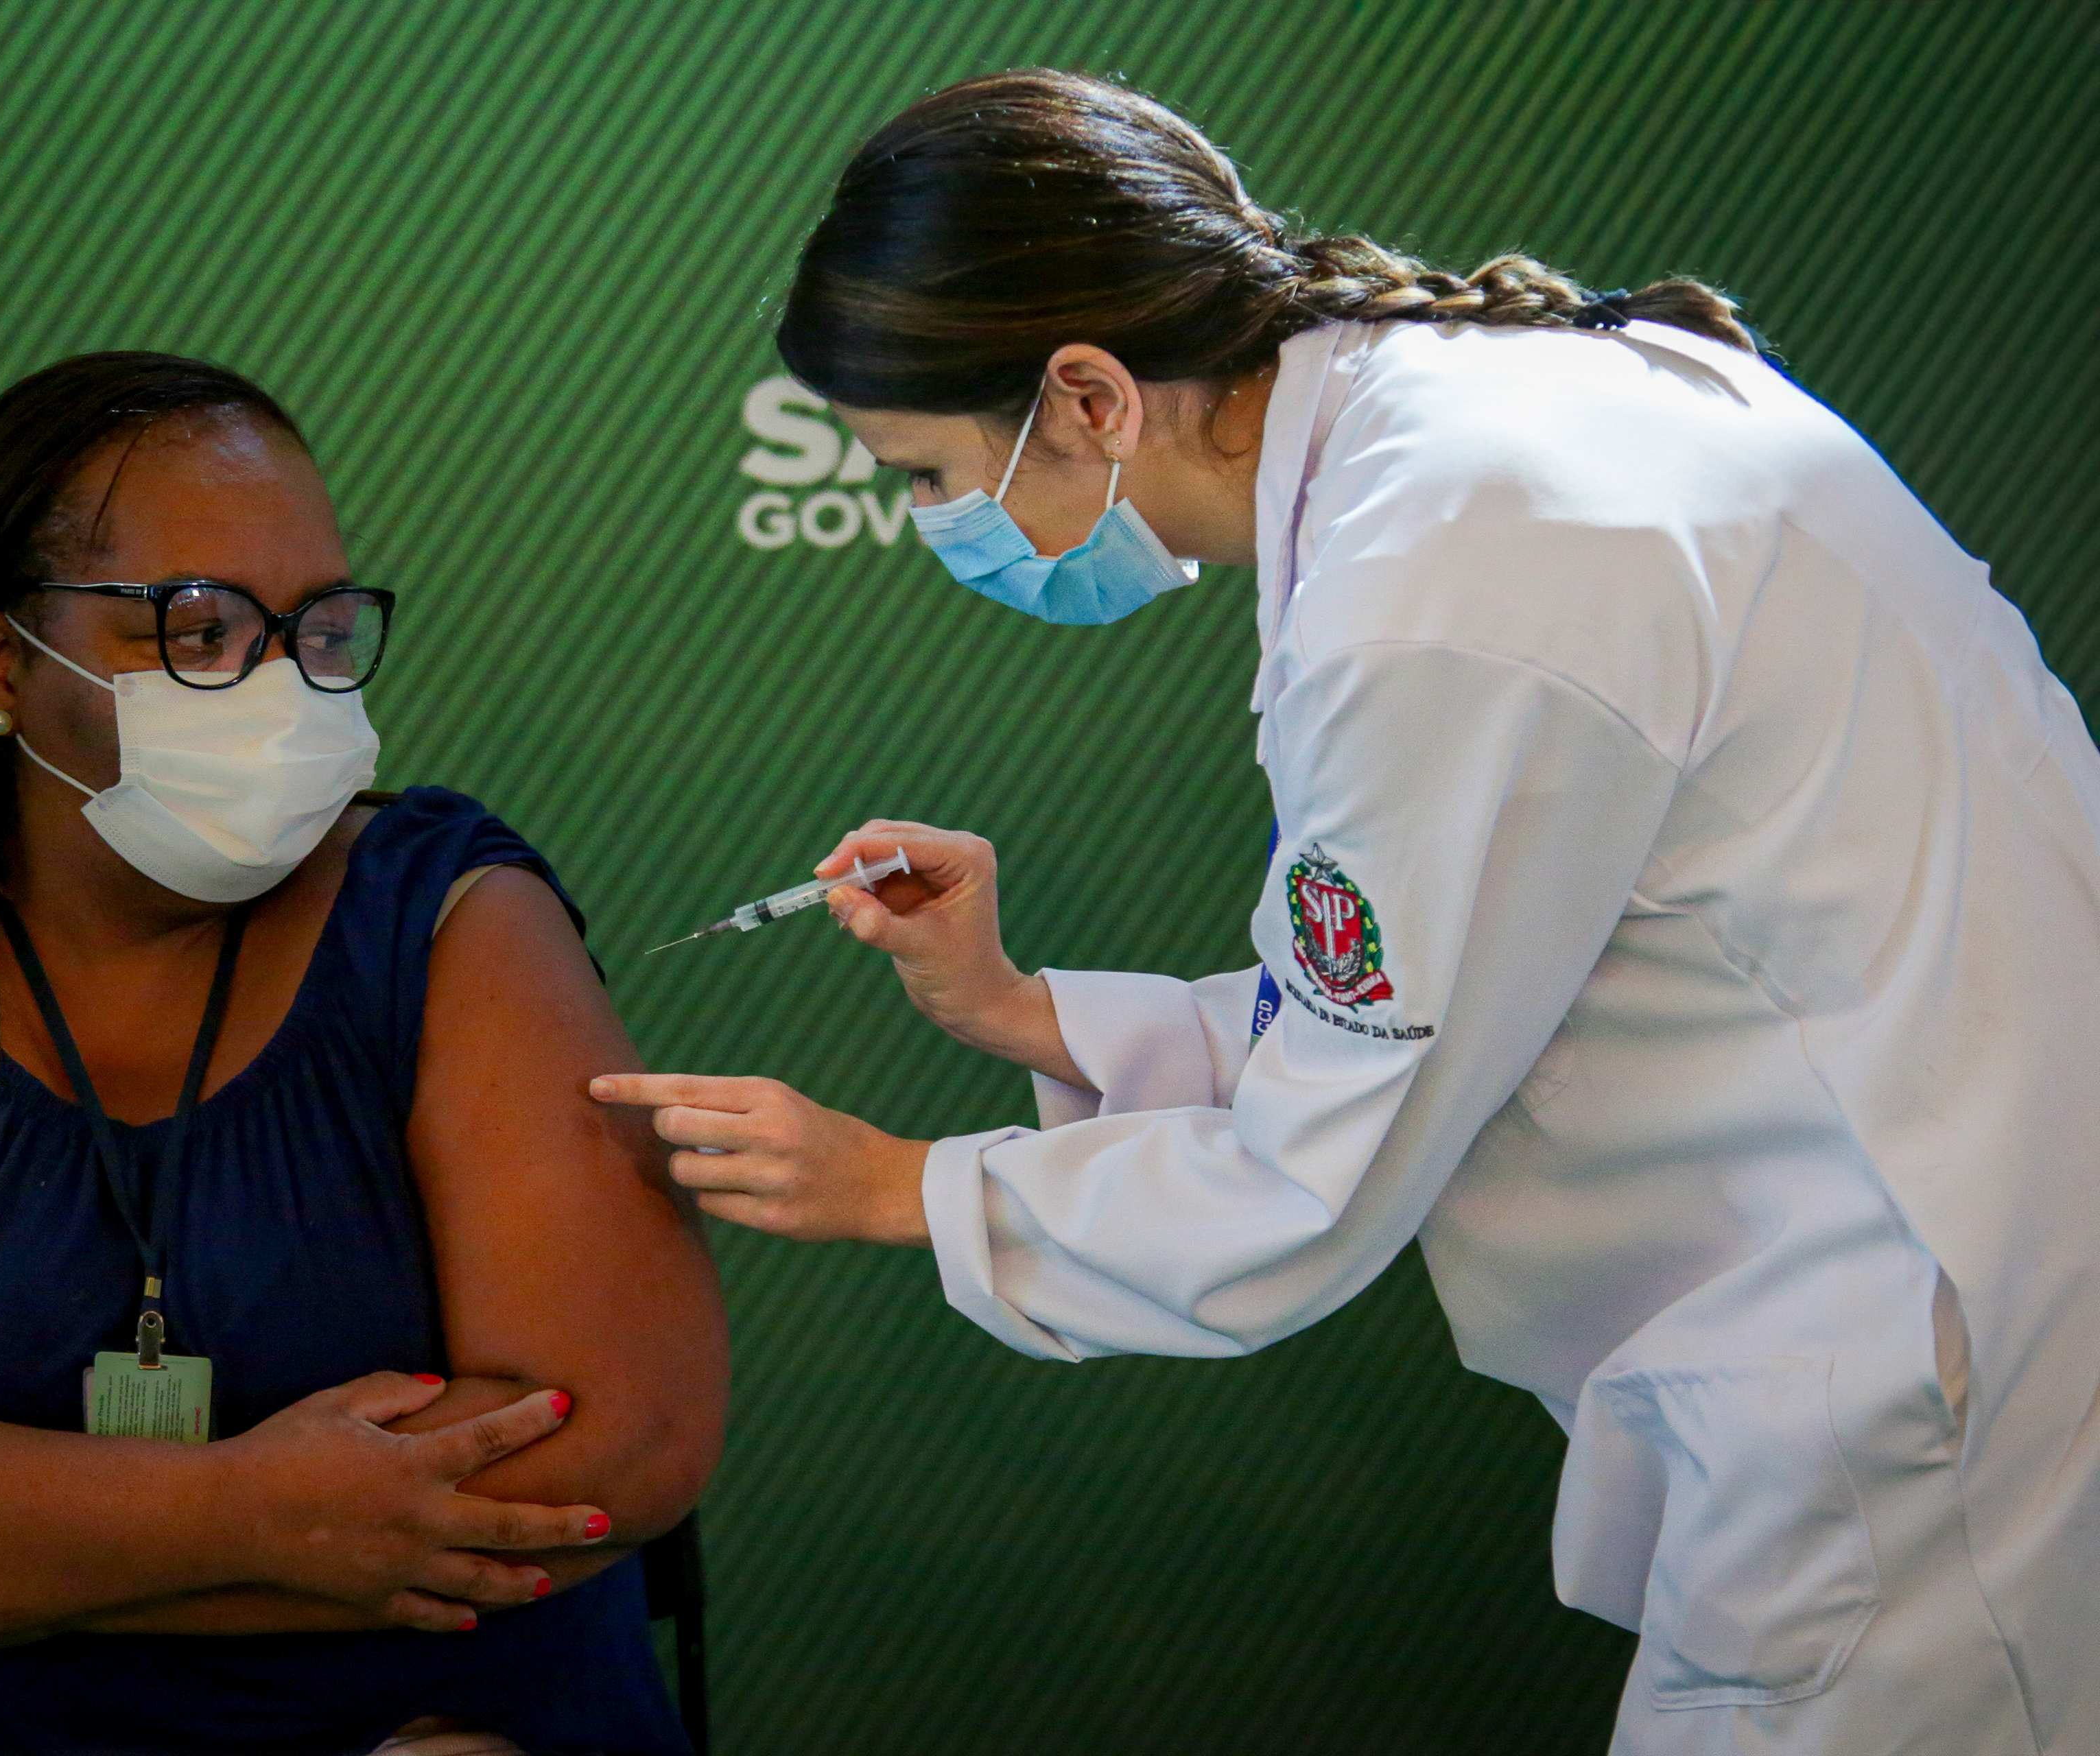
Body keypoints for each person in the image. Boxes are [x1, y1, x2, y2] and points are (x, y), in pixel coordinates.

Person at [596, 70, 2098, 1752]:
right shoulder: (1494, 426)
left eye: (929, 472)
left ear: (1086, 394)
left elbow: (1316, 1180)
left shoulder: (1433, 583)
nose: (934, 524)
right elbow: (1488, 975)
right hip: (1940, 1268)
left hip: (1930, 1366)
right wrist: (1020, 1008)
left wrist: (902, 1186)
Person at [0, 352, 726, 1756]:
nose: (278, 685)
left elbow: (611, 1442)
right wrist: (260, 1515)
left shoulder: (450, 914)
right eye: (199, 629)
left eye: (318, 629)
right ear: (4, 665)